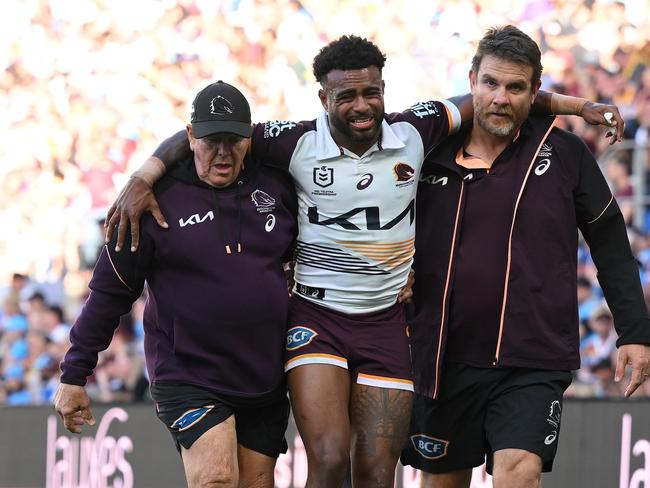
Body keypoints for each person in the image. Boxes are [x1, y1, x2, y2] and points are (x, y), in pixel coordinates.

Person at [104, 35, 623, 488]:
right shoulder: (294, 141)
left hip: (386, 324)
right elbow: (207, 130)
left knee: (377, 471)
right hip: (317, 320)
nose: (361, 105)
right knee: (329, 459)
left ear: (383, 90)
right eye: (346, 95)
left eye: (371, 91)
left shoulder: (415, 130)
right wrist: (142, 177)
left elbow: (495, 98)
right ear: (323, 98)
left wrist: (575, 106)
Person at [401, 25, 650, 488]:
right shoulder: (425, 151)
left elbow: (612, 244)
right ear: (471, 80)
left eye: (516, 87)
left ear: (534, 91)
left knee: (520, 473)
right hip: (441, 357)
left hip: (532, 359)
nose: (501, 97)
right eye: (491, 83)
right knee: (441, 483)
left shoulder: (566, 154)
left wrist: (635, 332)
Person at [53, 81, 298, 488]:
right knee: (216, 479)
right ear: (189, 137)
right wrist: (74, 373)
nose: (222, 152)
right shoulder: (148, 201)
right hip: (188, 374)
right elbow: (110, 292)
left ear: (250, 138)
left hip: (264, 377)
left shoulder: (277, 184)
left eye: (233, 140)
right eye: (210, 140)